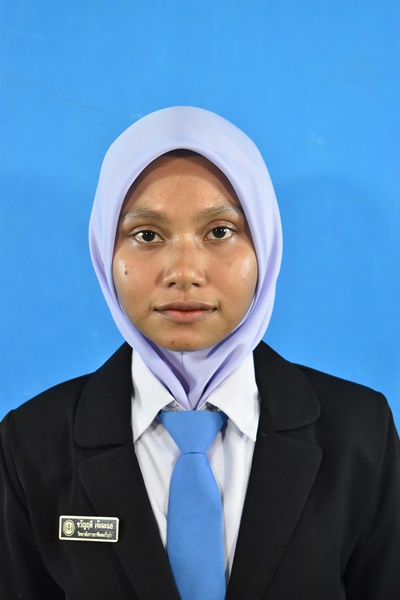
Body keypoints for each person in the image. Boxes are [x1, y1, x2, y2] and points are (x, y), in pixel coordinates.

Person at [1, 106, 399, 600]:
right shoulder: (30, 444)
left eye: (220, 231)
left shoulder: (361, 432)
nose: (184, 272)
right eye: (147, 235)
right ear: (105, 250)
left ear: (266, 245)